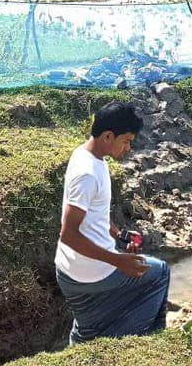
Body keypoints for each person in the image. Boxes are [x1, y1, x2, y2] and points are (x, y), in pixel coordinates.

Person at [54, 101, 170, 344]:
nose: (128, 147)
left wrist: (118, 235)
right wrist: (117, 260)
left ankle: (83, 344)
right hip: (91, 273)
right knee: (159, 273)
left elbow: (93, 214)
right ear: (108, 136)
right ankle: (136, 341)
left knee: (87, 326)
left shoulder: (88, 156)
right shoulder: (87, 173)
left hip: (68, 269)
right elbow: (69, 234)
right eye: (126, 141)